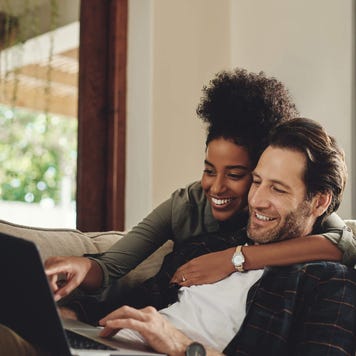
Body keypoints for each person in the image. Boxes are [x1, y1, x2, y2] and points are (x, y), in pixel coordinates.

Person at [45, 69, 356, 321]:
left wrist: (235, 260)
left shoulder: (290, 213)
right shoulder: (189, 206)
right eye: (209, 170)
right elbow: (115, 269)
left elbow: (343, 245)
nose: (217, 187)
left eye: (236, 175)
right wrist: (80, 268)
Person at [97, 117, 356, 356]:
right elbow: (126, 308)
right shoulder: (209, 246)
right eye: (256, 182)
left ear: (319, 202)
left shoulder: (329, 284)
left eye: (277, 189)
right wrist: (67, 315)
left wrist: (184, 348)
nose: (256, 200)